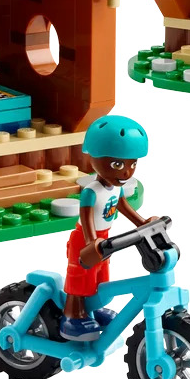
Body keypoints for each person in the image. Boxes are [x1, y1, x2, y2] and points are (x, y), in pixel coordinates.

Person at [60, 114, 154, 341]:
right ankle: (72, 316)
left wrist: (142, 223)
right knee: (80, 278)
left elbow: (124, 207)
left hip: (104, 238)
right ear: (94, 158)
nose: (127, 172)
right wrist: (91, 242)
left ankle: (94, 308)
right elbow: (86, 218)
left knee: (100, 277)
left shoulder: (117, 188)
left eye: (132, 164)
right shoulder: (91, 191)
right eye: (117, 164)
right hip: (85, 239)